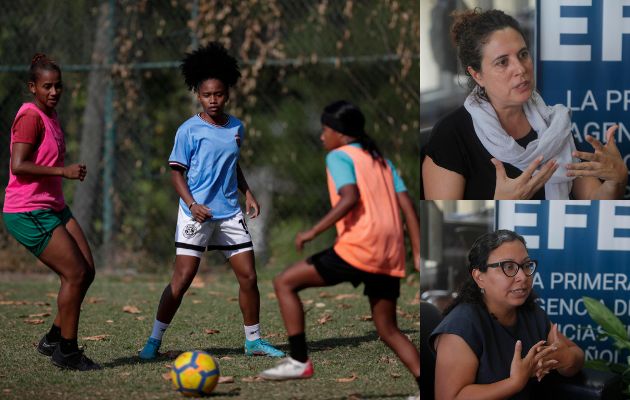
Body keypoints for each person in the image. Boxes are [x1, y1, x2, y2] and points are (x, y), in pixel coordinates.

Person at [258, 100, 421, 397]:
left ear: (340, 133)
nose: (322, 137)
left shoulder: (338, 156)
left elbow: (349, 197)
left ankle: (298, 360)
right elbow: (408, 205)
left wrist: (312, 230)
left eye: (325, 130)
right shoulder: (381, 160)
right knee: (387, 329)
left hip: (361, 246)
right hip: (389, 252)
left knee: (284, 282)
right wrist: (419, 252)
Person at [139, 42, 284, 359]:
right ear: (198, 94)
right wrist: (192, 205)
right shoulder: (188, 130)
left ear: (228, 93)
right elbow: (176, 173)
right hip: (196, 215)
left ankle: (253, 341)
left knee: (249, 276)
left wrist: (248, 193)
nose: (213, 100)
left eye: (218, 94)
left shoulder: (236, 127)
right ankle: (153, 340)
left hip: (230, 213)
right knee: (182, 281)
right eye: (207, 95)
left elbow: (232, 165)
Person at [422, 9, 628, 200]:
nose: (520, 69)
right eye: (503, 62)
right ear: (477, 75)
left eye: (523, 54)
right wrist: (502, 203)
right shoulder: (450, 136)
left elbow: (593, 200)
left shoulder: (553, 126)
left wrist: (615, 181)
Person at [2, 54, 100, 371]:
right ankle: (67, 353)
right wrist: (63, 172)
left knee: (86, 271)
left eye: (58, 86)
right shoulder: (29, 117)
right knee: (74, 274)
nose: (54, 91)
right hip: (27, 210)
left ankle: (53, 339)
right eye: (47, 86)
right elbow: (18, 166)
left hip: (53, 206)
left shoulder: (51, 114)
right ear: (33, 87)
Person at [430, 230, 584, 400]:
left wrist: (566, 359)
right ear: (479, 277)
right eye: (509, 267)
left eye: (526, 265)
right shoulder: (461, 326)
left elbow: (576, 354)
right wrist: (514, 382)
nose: (523, 276)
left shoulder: (531, 312)